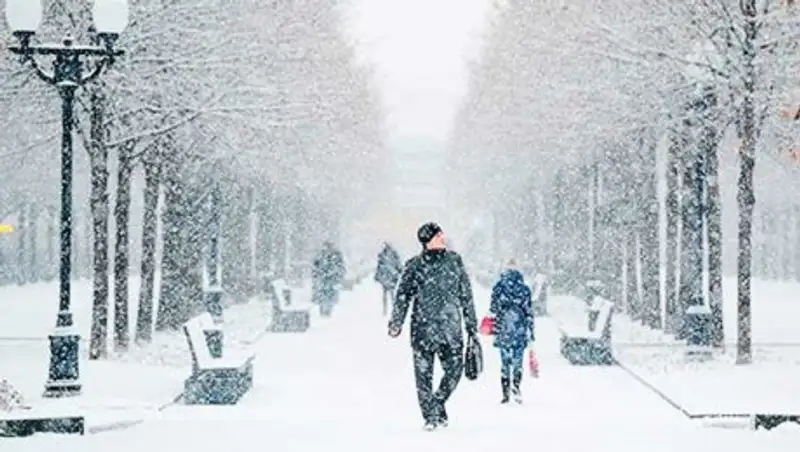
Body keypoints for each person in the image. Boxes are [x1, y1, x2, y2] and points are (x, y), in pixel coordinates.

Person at [388, 222, 479, 431]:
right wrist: (396, 322)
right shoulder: (414, 266)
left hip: (451, 329)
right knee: (423, 378)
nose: (442, 237)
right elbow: (402, 296)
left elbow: (466, 295)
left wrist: (471, 325)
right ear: (428, 241)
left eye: (442, 234)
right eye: (438, 235)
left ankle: (437, 402)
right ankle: (430, 417)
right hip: (423, 329)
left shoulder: (455, 262)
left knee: (455, 372)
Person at [489, 258, 534, 404]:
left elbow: (493, 308)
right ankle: (516, 386)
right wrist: (531, 332)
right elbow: (529, 312)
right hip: (519, 327)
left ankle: (505, 392)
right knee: (517, 360)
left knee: (504, 362)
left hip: (503, 328)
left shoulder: (499, 287)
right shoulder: (524, 289)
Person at [312, 241, 346, 317]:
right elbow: (341, 267)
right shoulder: (334, 255)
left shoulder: (321, 255)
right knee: (327, 294)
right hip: (328, 279)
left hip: (327, 279)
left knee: (326, 293)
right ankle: (326, 309)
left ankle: (326, 309)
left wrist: (316, 274)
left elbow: (315, 267)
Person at [374, 242, 403, 316]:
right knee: (391, 295)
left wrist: (377, 276)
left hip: (387, 278)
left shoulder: (384, 255)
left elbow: (379, 267)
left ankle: (387, 310)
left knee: (388, 295)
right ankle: (390, 310)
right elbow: (398, 265)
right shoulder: (392, 255)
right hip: (390, 278)